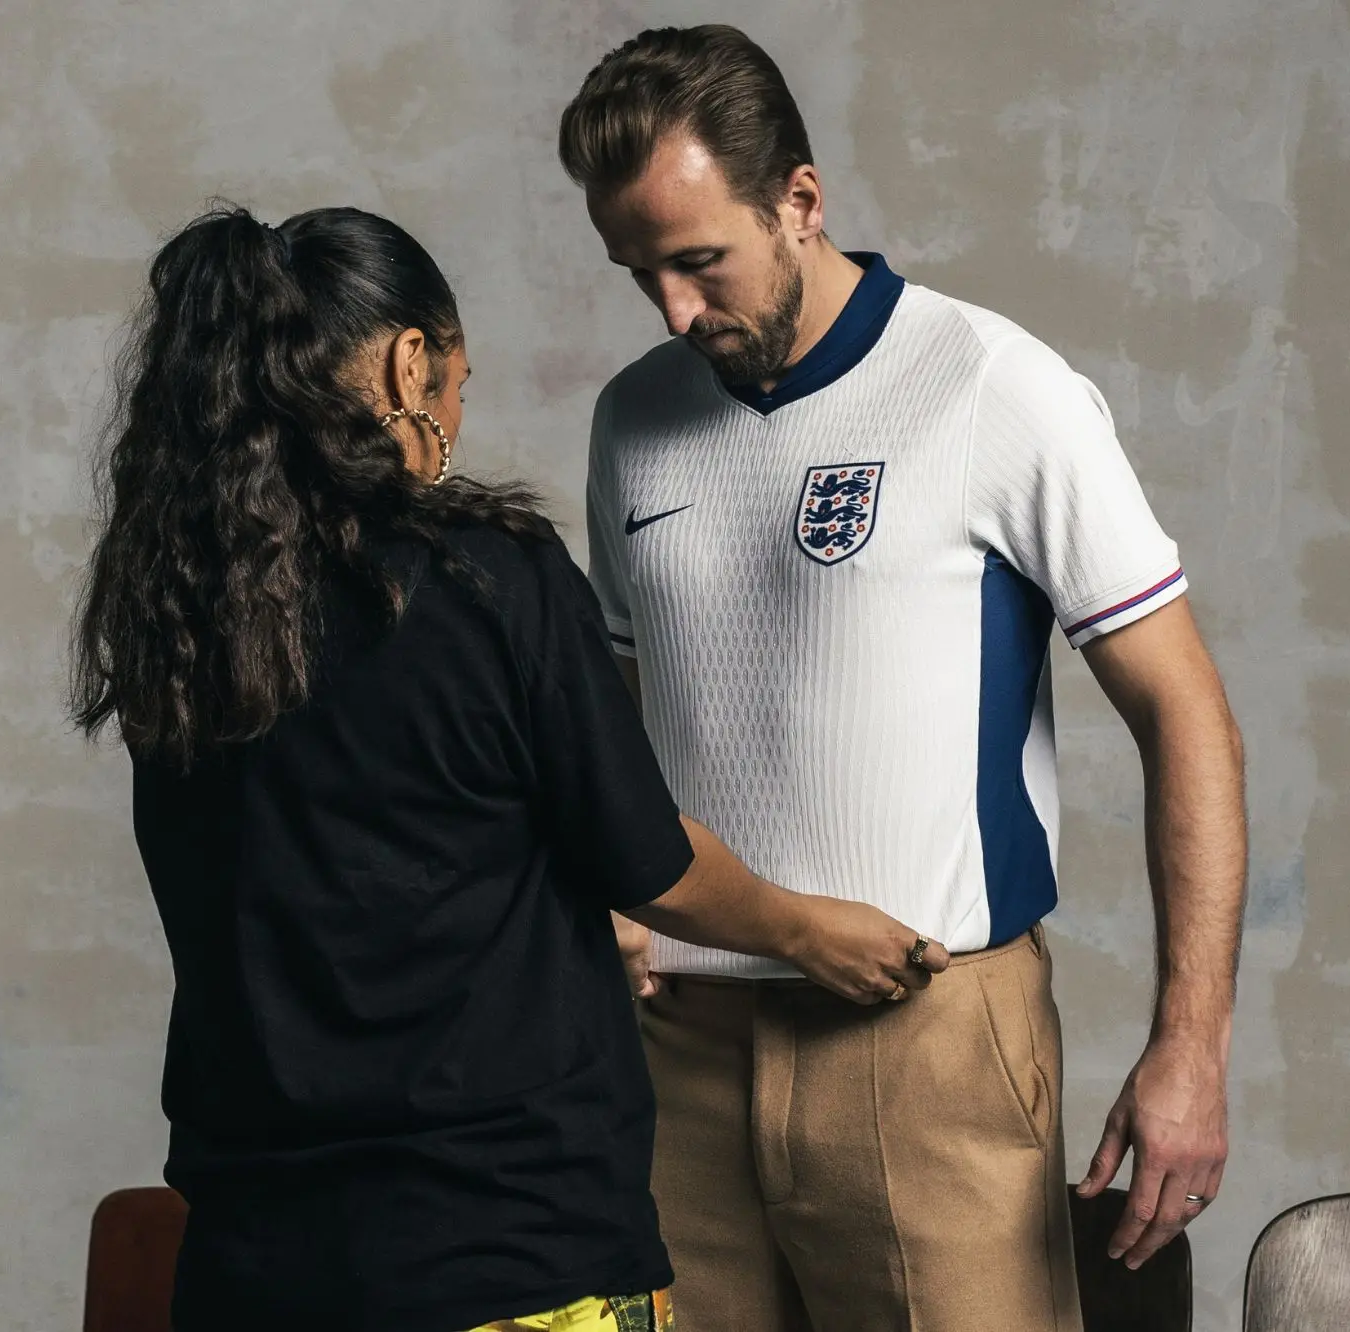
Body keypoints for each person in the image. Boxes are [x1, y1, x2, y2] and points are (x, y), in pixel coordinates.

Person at [70, 203, 937, 1332]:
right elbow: (651, 865)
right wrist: (809, 930)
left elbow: (346, 875)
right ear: (409, 363)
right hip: (503, 1249)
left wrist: (553, 925)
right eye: (459, 388)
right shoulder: (484, 577)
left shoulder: (177, 612)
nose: (453, 420)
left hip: (254, 1265)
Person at [557, 26, 1251, 1332]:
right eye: (639, 272)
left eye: (700, 261)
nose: (673, 312)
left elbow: (1186, 714)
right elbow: (622, 725)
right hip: (675, 1051)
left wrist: (1190, 1046)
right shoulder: (634, 419)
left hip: (927, 1041)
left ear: (799, 201)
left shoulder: (992, 385)